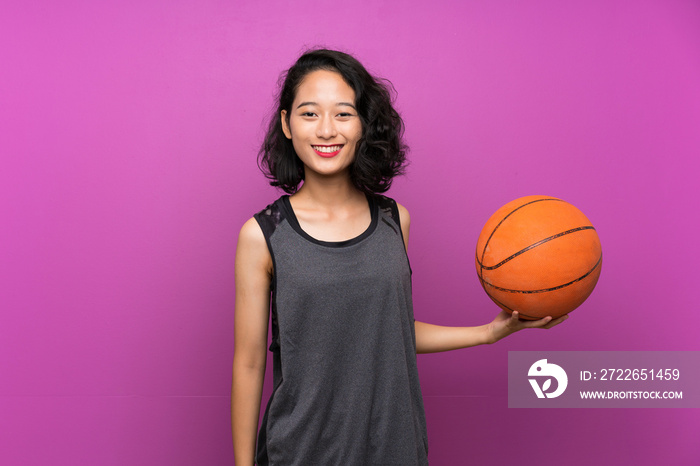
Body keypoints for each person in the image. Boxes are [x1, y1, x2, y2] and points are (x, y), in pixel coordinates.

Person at [231, 49, 567, 466]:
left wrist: (489, 332)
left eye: (343, 114)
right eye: (309, 114)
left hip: (394, 446)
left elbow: (389, 330)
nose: (326, 130)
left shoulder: (395, 221)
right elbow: (248, 364)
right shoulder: (263, 235)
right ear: (287, 124)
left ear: (362, 126)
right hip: (301, 450)